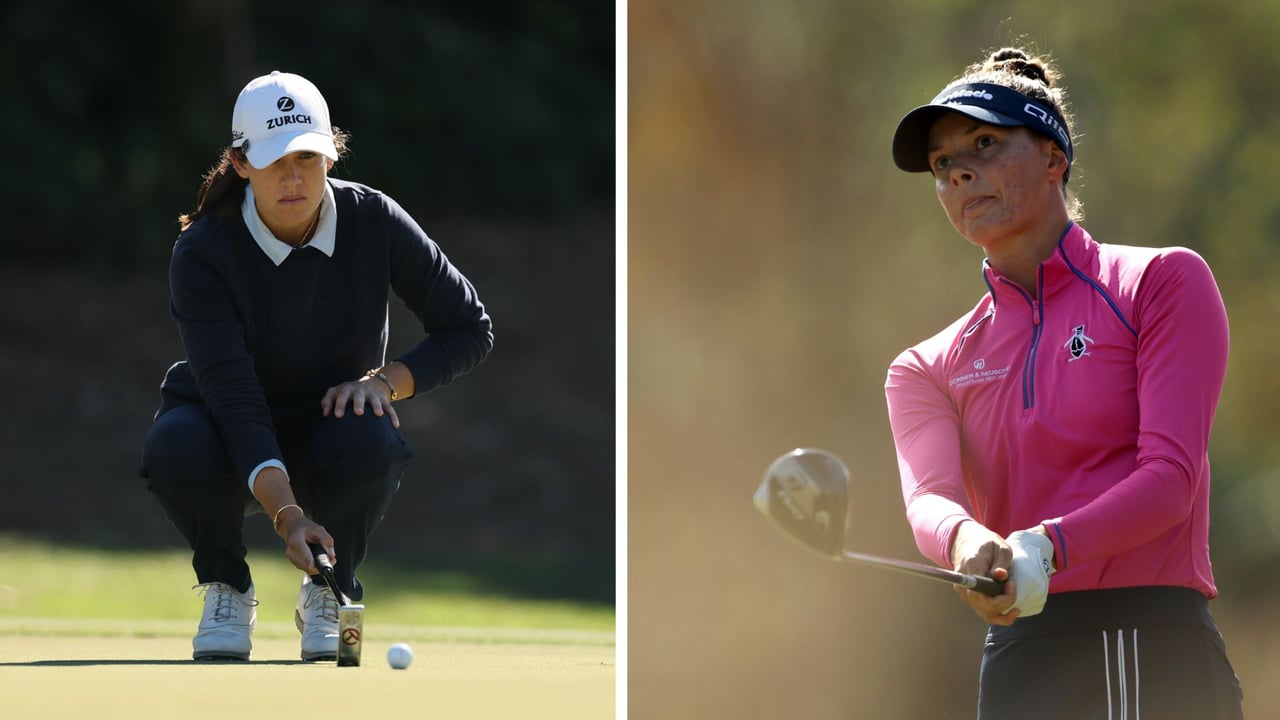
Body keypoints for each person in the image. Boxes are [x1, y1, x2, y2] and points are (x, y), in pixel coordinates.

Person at [884, 47, 1243, 718]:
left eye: (985, 144)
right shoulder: (925, 366)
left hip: (1143, 642)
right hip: (1020, 657)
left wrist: (1044, 548)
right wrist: (967, 542)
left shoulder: (1158, 283)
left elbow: (1170, 480)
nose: (960, 171)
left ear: (1055, 159)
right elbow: (929, 502)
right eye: (942, 165)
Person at [139, 71, 493, 662]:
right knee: (176, 444)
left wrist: (383, 384)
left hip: (330, 430)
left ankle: (330, 588)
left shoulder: (373, 219)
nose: (295, 176)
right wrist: (288, 516)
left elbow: (468, 327)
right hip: (225, 433)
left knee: (371, 432)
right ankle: (227, 584)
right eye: (277, 160)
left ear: (332, 154)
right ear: (240, 162)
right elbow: (234, 397)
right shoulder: (203, 250)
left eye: (308, 156)